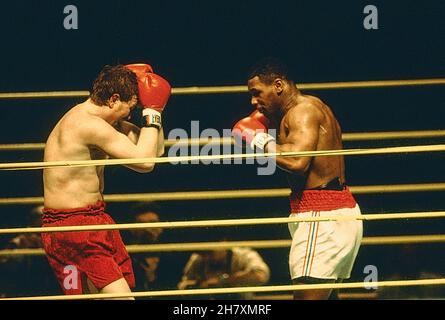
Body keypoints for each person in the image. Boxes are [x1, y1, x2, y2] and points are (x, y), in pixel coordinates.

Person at [232, 59, 362, 300]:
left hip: (322, 218)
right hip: (328, 213)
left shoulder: (302, 111)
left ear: (279, 85)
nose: (253, 101)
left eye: (256, 93)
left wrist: (257, 139)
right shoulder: (307, 107)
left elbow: (297, 162)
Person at [41, 63, 171, 298]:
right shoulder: (87, 125)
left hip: (92, 219)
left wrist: (154, 112)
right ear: (113, 99)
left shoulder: (104, 121)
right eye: (130, 108)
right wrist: (153, 112)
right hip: (75, 226)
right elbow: (144, 162)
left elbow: (154, 150)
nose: (131, 114)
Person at [177, 247, 270, 299]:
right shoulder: (198, 258)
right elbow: (184, 287)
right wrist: (199, 284)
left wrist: (222, 280)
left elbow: (261, 275)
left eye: (210, 252)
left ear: (223, 241)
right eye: (203, 253)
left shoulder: (244, 254)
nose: (206, 258)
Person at [124, 203, 163, 292]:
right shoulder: (125, 258)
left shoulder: (173, 255)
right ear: (132, 229)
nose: (148, 229)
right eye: (142, 224)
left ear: (161, 227)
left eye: (153, 223)